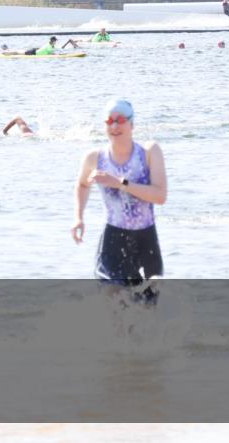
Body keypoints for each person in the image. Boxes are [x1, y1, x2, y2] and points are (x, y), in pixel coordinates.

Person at [72, 99, 167, 306]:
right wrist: (78, 217)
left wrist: (119, 183)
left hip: (146, 242)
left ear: (132, 124)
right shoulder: (95, 158)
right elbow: (82, 185)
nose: (114, 126)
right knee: (115, 305)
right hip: (113, 242)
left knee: (148, 309)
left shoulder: (149, 152)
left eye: (120, 120)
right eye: (109, 121)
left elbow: (160, 196)